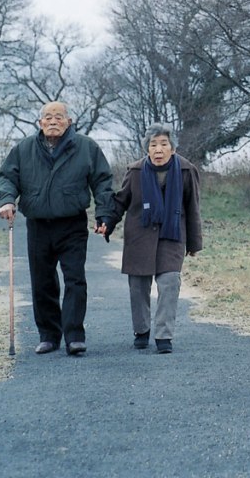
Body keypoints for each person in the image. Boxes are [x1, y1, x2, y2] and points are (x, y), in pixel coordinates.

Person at [0, 101, 114, 356]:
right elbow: (6, 177)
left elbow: (103, 182)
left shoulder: (86, 147)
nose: (52, 121)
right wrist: (6, 200)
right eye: (47, 117)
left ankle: (74, 336)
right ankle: (49, 336)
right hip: (38, 225)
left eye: (58, 117)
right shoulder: (24, 149)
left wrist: (104, 214)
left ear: (68, 122)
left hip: (72, 224)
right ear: (39, 123)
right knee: (42, 280)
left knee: (75, 280)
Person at [105, 122, 202, 354]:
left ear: (173, 149)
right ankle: (141, 331)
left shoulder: (187, 171)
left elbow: (193, 207)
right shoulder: (135, 171)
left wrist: (194, 243)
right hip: (139, 235)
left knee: (170, 283)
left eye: (163, 144)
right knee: (138, 286)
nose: (158, 149)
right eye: (153, 145)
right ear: (147, 149)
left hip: (172, 235)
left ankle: (163, 336)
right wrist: (107, 223)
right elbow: (121, 201)